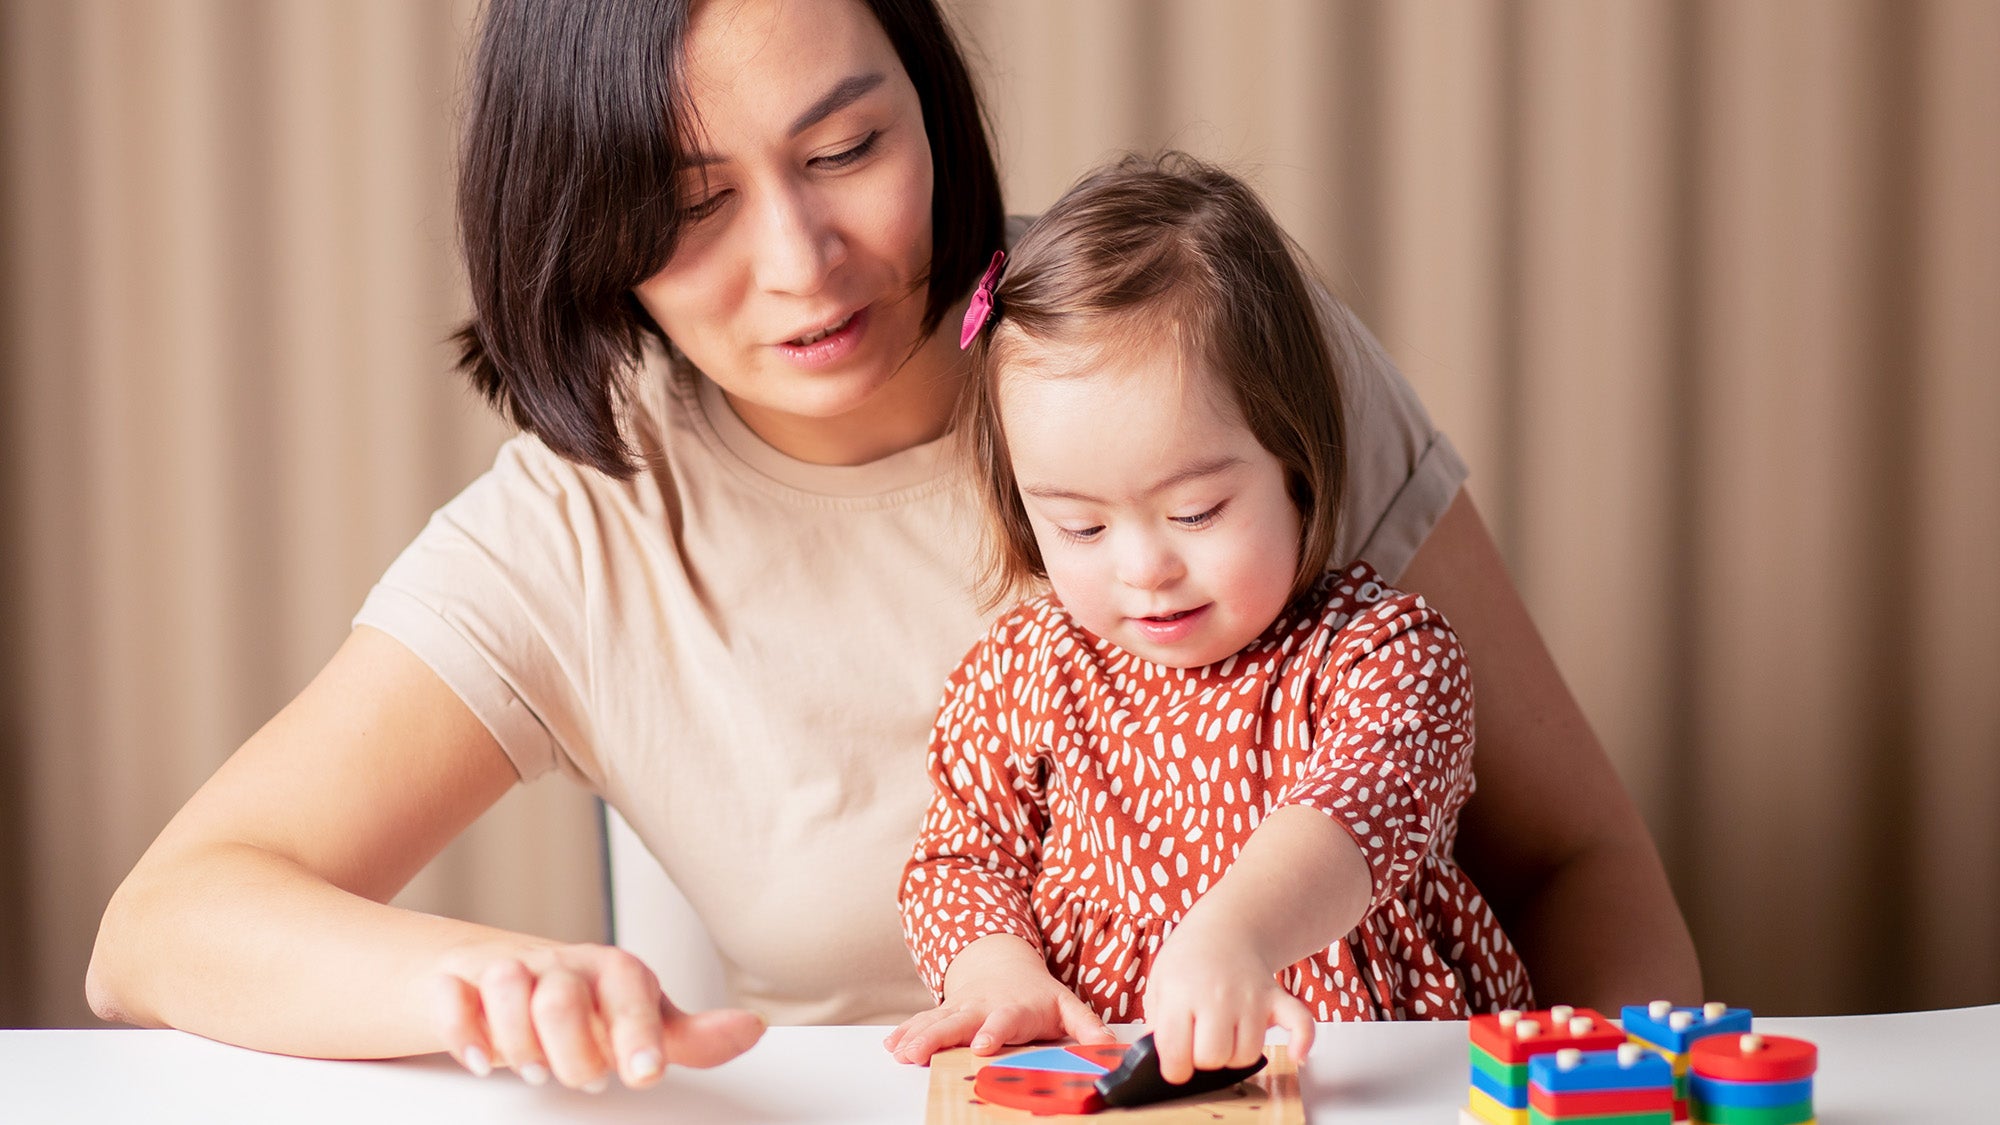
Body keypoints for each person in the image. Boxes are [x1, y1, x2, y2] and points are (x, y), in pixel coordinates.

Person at [85, 0, 1698, 1096]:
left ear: (933, 114)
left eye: (848, 150)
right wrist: (497, 988)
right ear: (580, 221)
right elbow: (165, 925)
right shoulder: (575, 535)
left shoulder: (1197, 359)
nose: (801, 264)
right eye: (690, 202)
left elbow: (1572, 860)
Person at [885, 155, 1533, 1081]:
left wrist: (1237, 932)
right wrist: (994, 969)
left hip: (1368, 1068)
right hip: (1109, 1076)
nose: (1145, 566)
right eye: (1081, 525)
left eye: (1195, 512)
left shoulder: (1385, 654)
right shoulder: (1022, 673)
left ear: (1295, 468)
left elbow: (1359, 805)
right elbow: (960, 853)